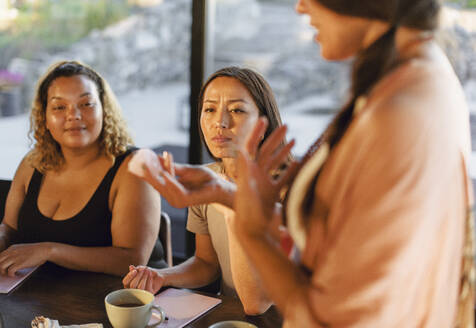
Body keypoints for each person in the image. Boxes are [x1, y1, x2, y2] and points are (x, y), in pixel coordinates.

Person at [231, 0, 475, 327]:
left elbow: (326, 320)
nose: (301, 7)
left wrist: (251, 233)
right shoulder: (416, 73)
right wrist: (236, 198)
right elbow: (354, 235)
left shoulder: (398, 117)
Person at [123, 67, 293, 315]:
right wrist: (163, 276)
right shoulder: (208, 178)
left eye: (236, 110)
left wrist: (228, 201)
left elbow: (257, 303)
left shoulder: (288, 189)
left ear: (263, 123)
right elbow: (207, 263)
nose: (220, 123)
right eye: (210, 109)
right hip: (229, 318)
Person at [0, 61, 163, 277]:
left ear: (104, 111)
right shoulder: (31, 163)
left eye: (86, 104)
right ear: (45, 118)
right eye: (59, 107)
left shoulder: (134, 168)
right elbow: (9, 227)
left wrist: (49, 251)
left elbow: (131, 260)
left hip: (128, 302)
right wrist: (0, 241)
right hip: (45, 298)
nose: (74, 115)